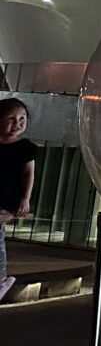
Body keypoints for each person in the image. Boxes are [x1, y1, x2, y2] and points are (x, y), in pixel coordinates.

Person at [0, 97, 35, 302]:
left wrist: (25, 200)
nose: (17, 124)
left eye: (22, 119)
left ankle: (1, 279)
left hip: (7, 200)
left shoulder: (25, 147)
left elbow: (29, 174)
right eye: (11, 119)